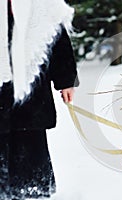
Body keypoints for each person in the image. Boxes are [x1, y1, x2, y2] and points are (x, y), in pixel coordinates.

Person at [0, 0, 78, 199]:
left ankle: (34, 191)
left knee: (31, 144)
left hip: (31, 89)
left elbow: (58, 39)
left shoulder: (43, 3)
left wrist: (66, 80)